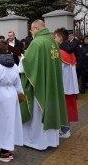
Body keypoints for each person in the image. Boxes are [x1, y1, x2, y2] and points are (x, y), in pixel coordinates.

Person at [18, 20, 68, 150]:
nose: (31, 32)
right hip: (51, 82)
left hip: (39, 85)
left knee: (37, 112)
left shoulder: (37, 42)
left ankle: (36, 142)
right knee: (50, 108)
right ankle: (51, 140)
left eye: (31, 30)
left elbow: (27, 64)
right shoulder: (52, 41)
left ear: (35, 28)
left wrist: (22, 59)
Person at [54, 28, 79, 138]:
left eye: (55, 37)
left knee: (63, 108)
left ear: (60, 38)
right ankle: (65, 129)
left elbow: (57, 70)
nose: (54, 39)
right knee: (67, 107)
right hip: (70, 85)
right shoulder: (70, 51)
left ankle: (65, 130)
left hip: (63, 85)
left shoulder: (60, 52)